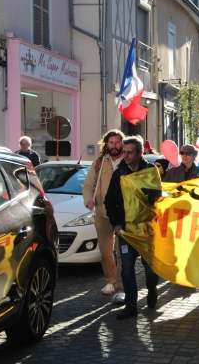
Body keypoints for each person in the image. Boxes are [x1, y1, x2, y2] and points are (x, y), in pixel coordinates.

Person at [104, 135, 160, 319]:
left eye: (129, 152)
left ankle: (152, 290)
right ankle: (131, 305)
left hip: (147, 230)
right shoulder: (119, 173)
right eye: (124, 152)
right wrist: (116, 224)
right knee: (126, 268)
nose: (125, 156)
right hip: (126, 230)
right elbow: (109, 201)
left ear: (139, 152)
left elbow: (157, 199)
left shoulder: (151, 171)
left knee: (150, 269)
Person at [82, 130, 126, 300]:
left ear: (122, 144)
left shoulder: (127, 162)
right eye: (111, 142)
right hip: (102, 213)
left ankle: (122, 286)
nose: (114, 146)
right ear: (106, 144)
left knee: (122, 252)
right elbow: (88, 186)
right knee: (105, 251)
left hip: (122, 215)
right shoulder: (99, 162)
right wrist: (88, 200)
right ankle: (111, 281)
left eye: (117, 142)